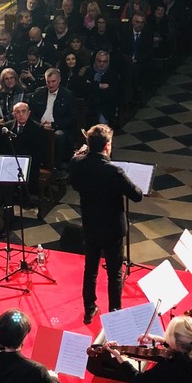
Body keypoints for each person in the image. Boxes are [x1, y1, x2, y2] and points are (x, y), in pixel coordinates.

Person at [69, 124, 144, 322]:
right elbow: (137, 195)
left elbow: (75, 184)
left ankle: (89, 308)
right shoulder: (114, 171)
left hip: (91, 225)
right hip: (112, 229)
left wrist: (79, 156)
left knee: (90, 270)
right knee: (114, 273)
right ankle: (115, 313)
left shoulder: (77, 163)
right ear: (107, 145)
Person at [28, 67, 78, 166]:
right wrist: (39, 124)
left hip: (58, 127)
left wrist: (53, 125)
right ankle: (33, 164)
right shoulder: (39, 92)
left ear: (59, 80)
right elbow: (31, 113)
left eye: (53, 81)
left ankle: (56, 166)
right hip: (40, 125)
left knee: (58, 136)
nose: (50, 85)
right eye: (48, 82)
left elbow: (72, 119)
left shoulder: (68, 95)